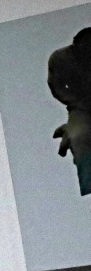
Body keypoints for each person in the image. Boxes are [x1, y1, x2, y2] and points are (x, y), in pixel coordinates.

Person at [48, 27, 91, 195]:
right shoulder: (60, 58)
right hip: (80, 107)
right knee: (79, 134)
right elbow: (56, 87)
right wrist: (76, 102)